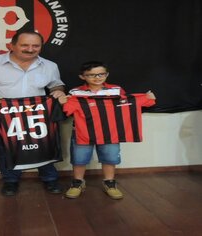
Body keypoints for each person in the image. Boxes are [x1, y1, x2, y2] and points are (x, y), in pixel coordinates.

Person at [0, 30, 66, 196]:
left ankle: (50, 179)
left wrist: (58, 92)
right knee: (5, 150)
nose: (30, 49)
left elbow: (56, 85)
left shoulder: (50, 66)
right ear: (11, 45)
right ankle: (10, 181)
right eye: (24, 45)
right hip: (2, 118)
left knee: (44, 147)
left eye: (35, 45)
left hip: (38, 118)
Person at [59, 61, 156, 200]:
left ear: (107, 74)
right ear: (82, 76)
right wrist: (64, 102)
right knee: (79, 159)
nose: (97, 77)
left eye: (101, 74)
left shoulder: (116, 90)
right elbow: (67, 111)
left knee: (110, 158)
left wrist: (147, 98)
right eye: (91, 75)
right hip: (83, 132)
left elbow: (128, 104)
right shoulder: (75, 92)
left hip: (111, 132)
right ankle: (77, 183)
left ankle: (109, 183)